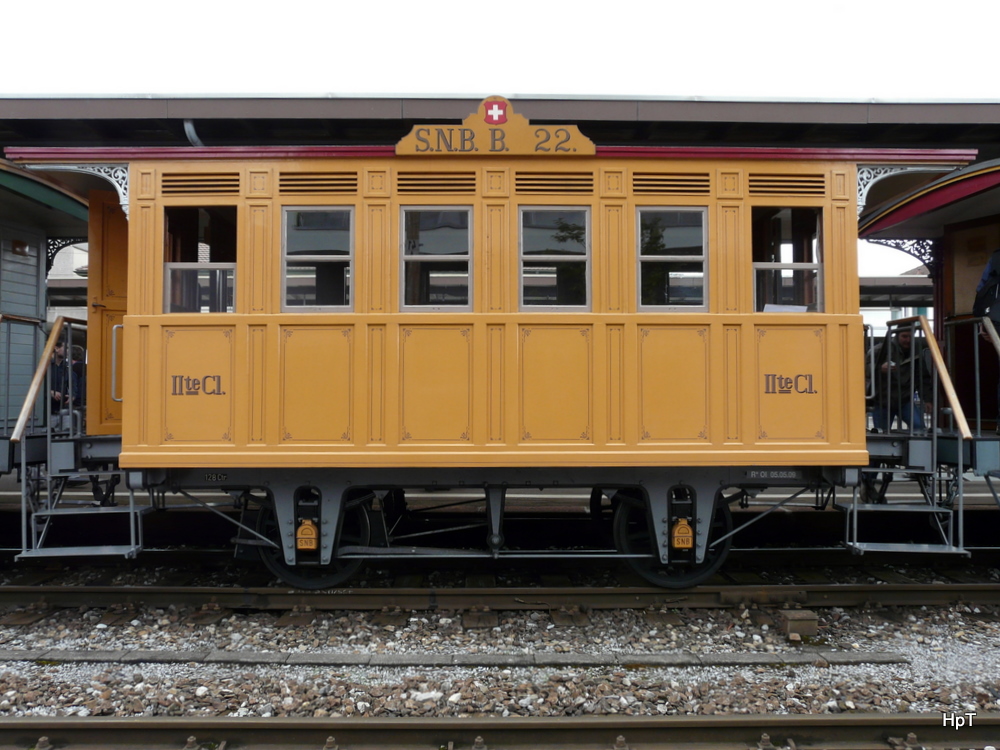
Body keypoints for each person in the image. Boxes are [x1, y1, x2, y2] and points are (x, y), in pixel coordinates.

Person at [869, 327, 931, 433]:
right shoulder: (880, 350)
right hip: (882, 400)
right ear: (897, 336)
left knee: (919, 428)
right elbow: (861, 369)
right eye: (904, 336)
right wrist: (879, 369)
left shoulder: (915, 353)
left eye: (911, 336)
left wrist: (928, 399)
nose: (908, 340)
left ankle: (915, 450)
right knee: (882, 434)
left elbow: (922, 377)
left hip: (904, 400)